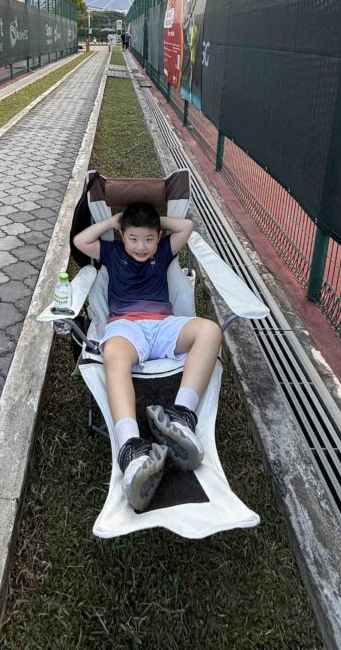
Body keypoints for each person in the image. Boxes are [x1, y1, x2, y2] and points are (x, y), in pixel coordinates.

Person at [73, 203, 223, 511]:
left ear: (158, 238)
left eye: (149, 239)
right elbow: (80, 242)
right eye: (134, 239)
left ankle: (180, 416)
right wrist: (114, 222)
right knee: (113, 353)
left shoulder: (164, 251)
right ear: (123, 236)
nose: (141, 247)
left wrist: (156, 223)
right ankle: (130, 446)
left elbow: (186, 227)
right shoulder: (112, 252)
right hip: (125, 327)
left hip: (164, 326)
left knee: (210, 331)